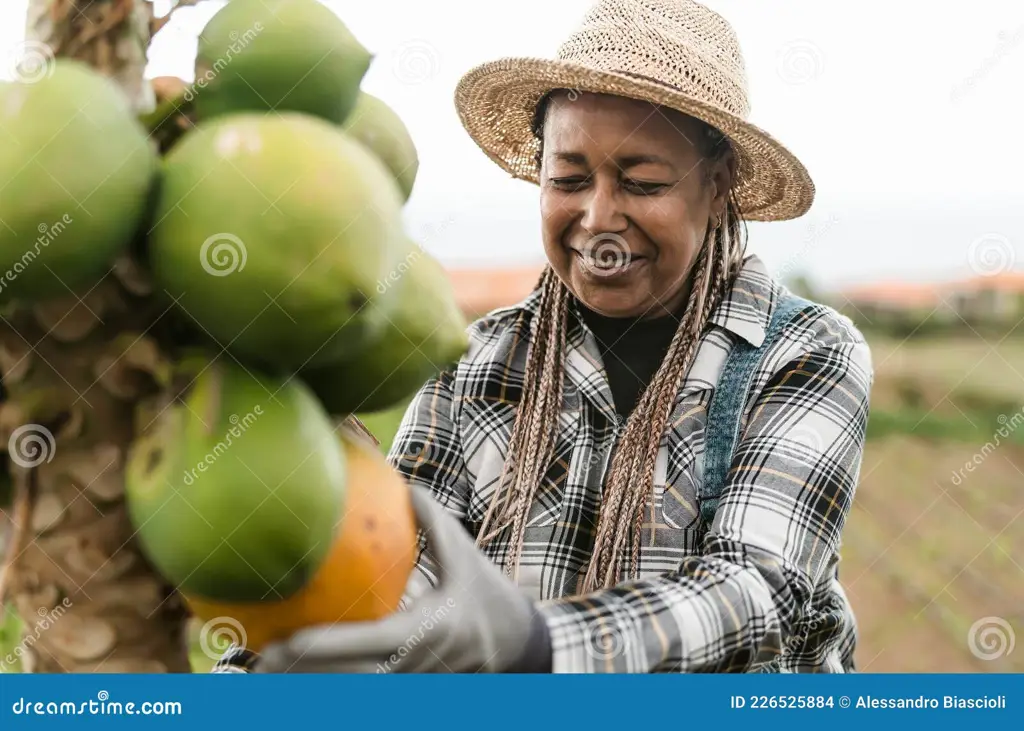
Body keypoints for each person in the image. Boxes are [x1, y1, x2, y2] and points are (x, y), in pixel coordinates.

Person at [214, 0, 872, 674]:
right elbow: (400, 578)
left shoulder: (804, 353)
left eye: (642, 182)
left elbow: (756, 593)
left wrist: (534, 642)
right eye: (569, 178)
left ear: (719, 183)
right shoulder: (475, 368)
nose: (599, 216)